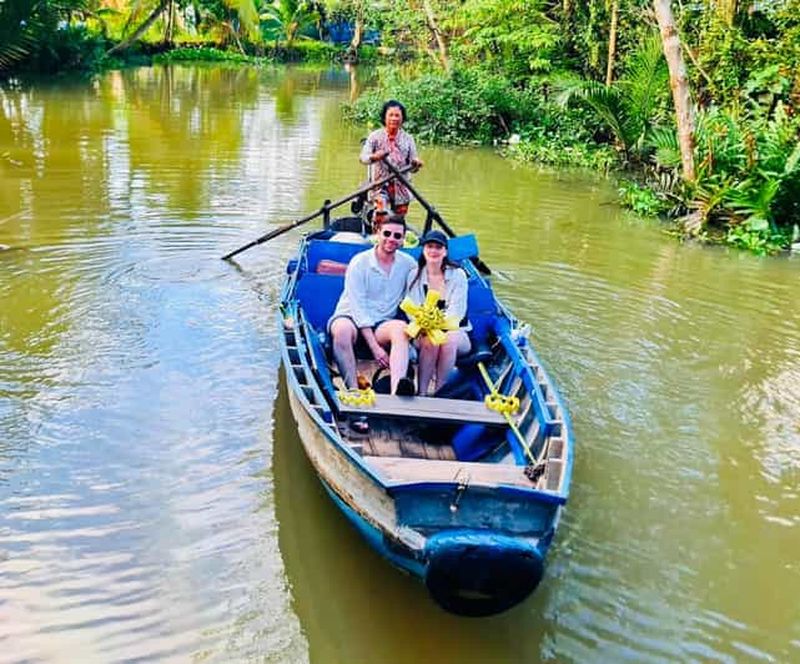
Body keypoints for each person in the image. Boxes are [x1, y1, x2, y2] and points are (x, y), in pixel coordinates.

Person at [329, 215, 417, 415]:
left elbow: (419, 290)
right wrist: (375, 348)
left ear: (403, 240)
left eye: (397, 236)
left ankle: (397, 394)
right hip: (350, 316)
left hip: (382, 323)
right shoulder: (359, 263)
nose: (391, 239)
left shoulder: (408, 264)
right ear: (377, 233)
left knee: (401, 329)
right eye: (386, 234)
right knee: (341, 330)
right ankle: (353, 389)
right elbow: (358, 307)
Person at [405, 230, 471, 396]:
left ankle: (440, 392)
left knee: (448, 340)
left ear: (445, 252)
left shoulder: (458, 275)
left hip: (456, 331)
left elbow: (457, 312)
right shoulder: (415, 275)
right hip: (422, 331)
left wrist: (436, 326)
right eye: (429, 246)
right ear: (423, 249)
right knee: (430, 341)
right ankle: (421, 392)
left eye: (438, 247)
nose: (433, 251)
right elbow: (412, 309)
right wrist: (426, 326)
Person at [359, 100, 423, 217]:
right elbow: (363, 158)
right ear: (385, 118)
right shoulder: (375, 137)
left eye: (397, 115)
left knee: (398, 221)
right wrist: (374, 157)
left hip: (402, 187)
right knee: (381, 215)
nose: (394, 118)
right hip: (379, 186)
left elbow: (413, 167)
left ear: (402, 119)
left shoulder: (408, 139)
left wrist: (415, 165)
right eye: (391, 115)